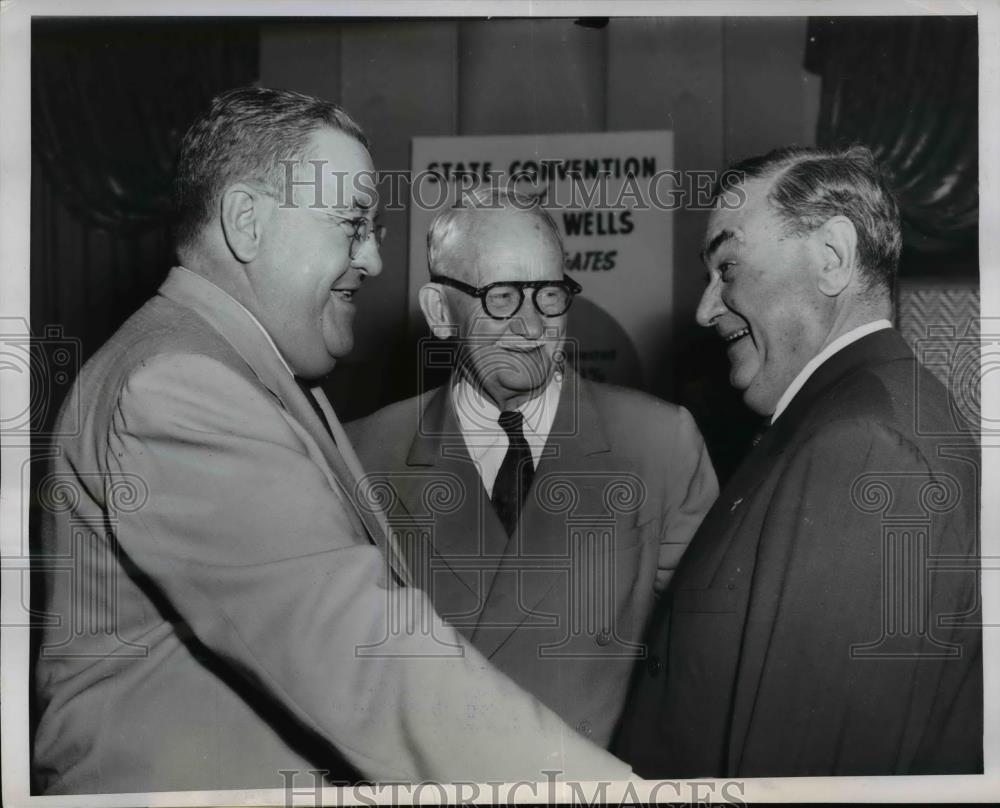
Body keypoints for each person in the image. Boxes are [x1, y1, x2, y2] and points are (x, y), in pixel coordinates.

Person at [31, 87, 633, 795]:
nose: (376, 260)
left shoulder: (241, 367)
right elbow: (365, 660)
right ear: (247, 223)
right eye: (352, 225)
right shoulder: (180, 385)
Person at [613, 145, 982, 777]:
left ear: (832, 259)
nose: (704, 309)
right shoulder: (856, 417)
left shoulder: (864, 447)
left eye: (727, 266)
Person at [346, 187, 718, 747]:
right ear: (441, 313)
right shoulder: (363, 455)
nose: (532, 326)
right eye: (501, 297)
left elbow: (702, 661)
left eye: (548, 294)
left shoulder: (660, 444)